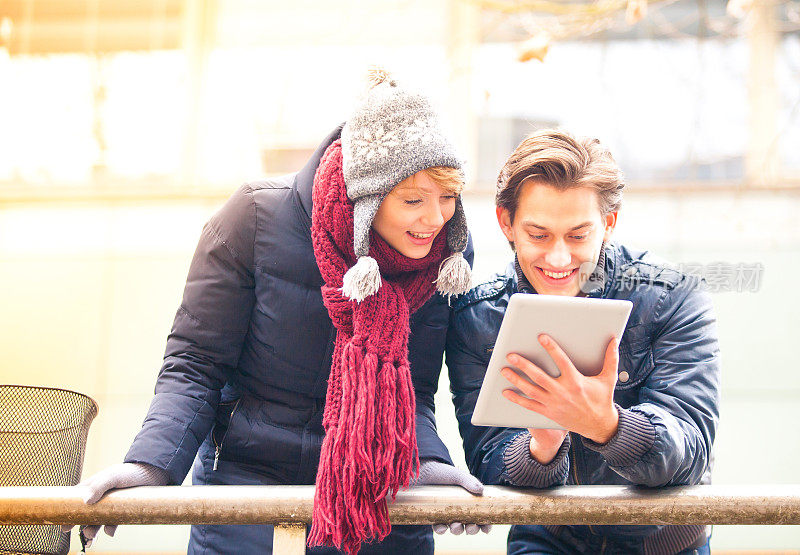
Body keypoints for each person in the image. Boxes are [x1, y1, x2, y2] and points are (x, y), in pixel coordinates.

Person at [67, 70, 490, 554]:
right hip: (249, 491)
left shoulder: (444, 253)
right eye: (413, 200)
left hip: (378, 493)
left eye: (449, 198)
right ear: (365, 195)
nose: (435, 219)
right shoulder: (254, 219)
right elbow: (196, 365)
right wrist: (149, 465)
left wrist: (426, 464)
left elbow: (410, 389)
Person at [446, 129, 721, 554]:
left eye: (578, 236)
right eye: (538, 235)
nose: (558, 259)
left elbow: (690, 452)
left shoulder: (672, 298)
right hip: (549, 535)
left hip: (666, 543)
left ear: (608, 223)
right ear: (507, 223)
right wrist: (542, 446)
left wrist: (606, 425)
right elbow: (488, 461)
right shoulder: (477, 318)